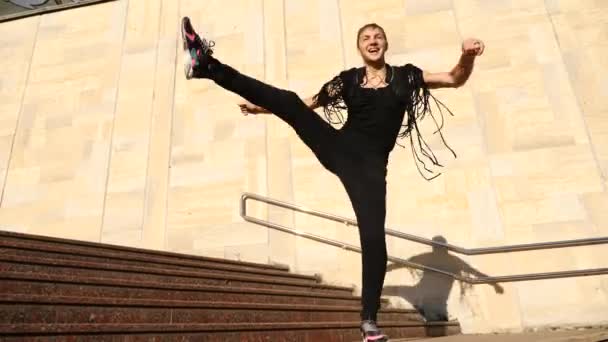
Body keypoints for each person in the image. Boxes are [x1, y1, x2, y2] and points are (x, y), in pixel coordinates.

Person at [181, 16, 484, 342]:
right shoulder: (348, 80)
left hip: (368, 171)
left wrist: (466, 55)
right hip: (338, 148)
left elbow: (454, 78)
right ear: (359, 47)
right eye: (366, 37)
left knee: (372, 238)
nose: (372, 40)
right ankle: (207, 66)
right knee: (289, 101)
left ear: (385, 44)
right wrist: (262, 109)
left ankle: (369, 321)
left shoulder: (407, 77)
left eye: (378, 36)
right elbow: (309, 103)